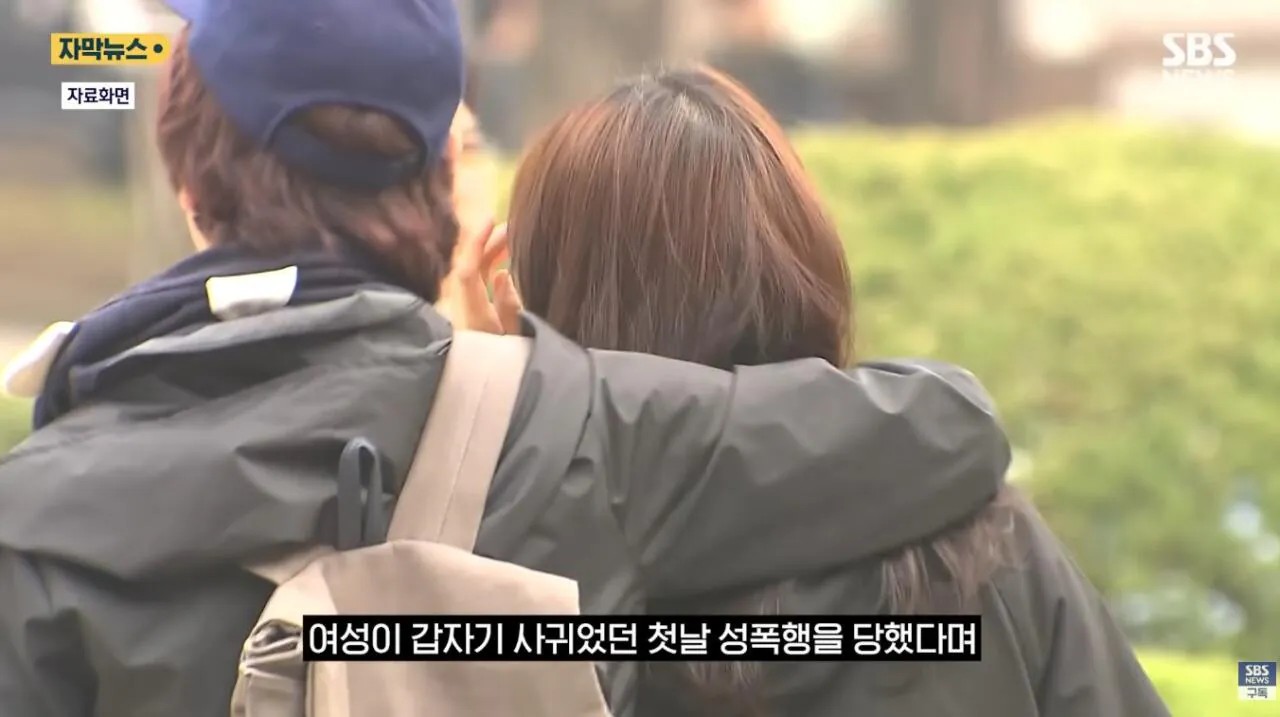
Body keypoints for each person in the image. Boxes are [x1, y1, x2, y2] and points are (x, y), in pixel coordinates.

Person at [0, 2, 1010, 716]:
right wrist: (524, 372)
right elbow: (948, 428)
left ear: (190, 187)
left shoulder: (33, 519)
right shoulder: (584, 429)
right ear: (446, 176)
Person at [449, 66, 1169, 716]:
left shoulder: (526, 568)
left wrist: (516, 410)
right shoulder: (980, 536)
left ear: (550, 291)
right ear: (797, 258)